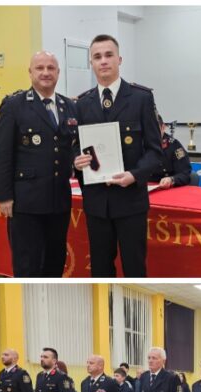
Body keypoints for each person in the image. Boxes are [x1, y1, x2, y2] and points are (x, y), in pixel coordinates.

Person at [73, 34, 161, 278]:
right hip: (97, 203)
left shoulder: (141, 98)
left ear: (119, 59)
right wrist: (76, 161)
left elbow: (155, 150)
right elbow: (74, 146)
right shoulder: (82, 104)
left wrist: (135, 175)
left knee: (134, 268)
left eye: (108, 55)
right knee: (100, 269)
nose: (103, 61)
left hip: (130, 200)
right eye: (97, 57)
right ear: (91, 63)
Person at [0, 52, 78, 278]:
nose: (45, 73)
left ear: (58, 73)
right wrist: (4, 196)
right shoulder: (14, 105)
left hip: (59, 201)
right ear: (30, 72)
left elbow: (74, 147)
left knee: (55, 263)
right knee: (27, 265)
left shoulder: (69, 106)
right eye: (40, 68)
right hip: (25, 203)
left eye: (51, 68)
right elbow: (2, 154)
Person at [152, 114, 192, 189]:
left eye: (155, 129)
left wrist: (172, 180)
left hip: (169, 188)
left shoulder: (174, 145)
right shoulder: (139, 144)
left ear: (163, 128)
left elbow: (185, 174)